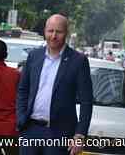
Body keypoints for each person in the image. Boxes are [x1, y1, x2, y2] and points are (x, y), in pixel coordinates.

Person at [17, 14, 93, 155]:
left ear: (66, 33)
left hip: (59, 134)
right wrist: (21, 118)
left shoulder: (78, 61)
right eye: (50, 31)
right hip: (30, 131)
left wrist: (80, 134)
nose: (53, 36)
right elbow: (23, 89)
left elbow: (86, 101)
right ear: (45, 31)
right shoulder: (34, 56)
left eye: (58, 32)